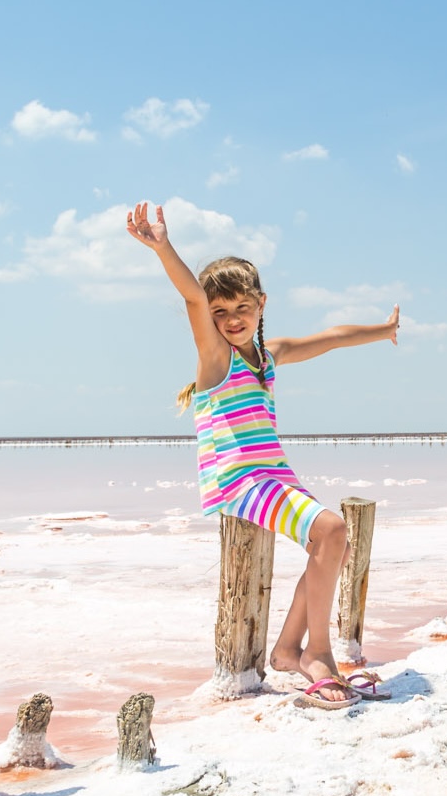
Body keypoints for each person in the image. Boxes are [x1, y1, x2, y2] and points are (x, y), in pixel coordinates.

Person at [127, 201, 398, 709]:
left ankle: (287, 649)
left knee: (328, 541)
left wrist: (382, 332)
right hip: (237, 480)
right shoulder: (217, 358)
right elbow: (190, 296)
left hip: (273, 474)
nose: (231, 320)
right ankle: (315, 654)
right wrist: (164, 247)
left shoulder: (267, 358)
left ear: (261, 304)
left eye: (241, 308)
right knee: (333, 529)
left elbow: (332, 339)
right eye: (220, 312)